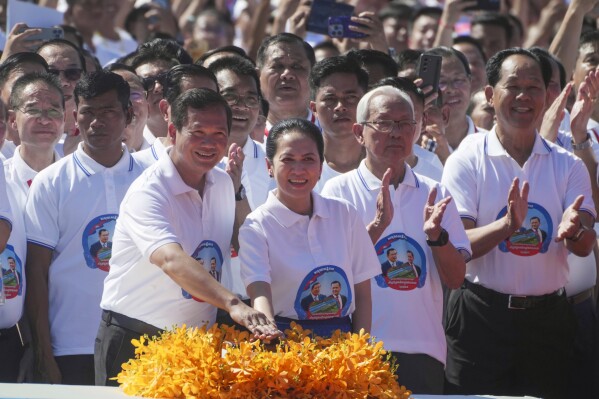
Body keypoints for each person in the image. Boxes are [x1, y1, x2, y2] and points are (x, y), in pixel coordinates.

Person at [96, 89, 280, 386]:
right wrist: (233, 305)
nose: (210, 144)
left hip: (198, 342)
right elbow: (170, 258)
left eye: (219, 133)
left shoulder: (222, 183)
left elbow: (244, 243)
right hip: (136, 339)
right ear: (173, 130)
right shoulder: (149, 191)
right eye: (198, 132)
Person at [442, 48, 596, 398]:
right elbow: (456, 245)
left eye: (534, 87)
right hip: (480, 317)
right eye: (514, 86)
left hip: (548, 322)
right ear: (490, 95)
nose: (524, 96)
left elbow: (584, 244)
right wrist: (507, 227)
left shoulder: (568, 165)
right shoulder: (467, 158)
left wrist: (576, 231)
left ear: (548, 96)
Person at [321, 85, 469, 394]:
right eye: (385, 123)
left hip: (423, 349)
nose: (396, 133)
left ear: (416, 131)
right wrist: (376, 226)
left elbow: (456, 279)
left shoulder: (436, 193)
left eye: (405, 124)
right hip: (360, 349)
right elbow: (332, 275)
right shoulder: (336, 193)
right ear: (359, 132)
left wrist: (437, 238)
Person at [24, 71, 143, 385]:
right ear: (74, 116)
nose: (97, 122)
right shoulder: (51, 182)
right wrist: (44, 354)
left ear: (128, 115)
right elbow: (36, 271)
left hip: (142, 341)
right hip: (72, 345)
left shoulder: (152, 178)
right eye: (88, 112)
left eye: (108, 112)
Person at [239, 118, 380, 338]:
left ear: (321, 166)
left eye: (308, 159)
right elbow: (259, 291)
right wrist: (270, 335)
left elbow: (362, 292)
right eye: (288, 160)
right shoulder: (256, 225)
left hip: (344, 344)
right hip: (284, 342)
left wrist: (361, 349)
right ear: (269, 166)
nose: (298, 170)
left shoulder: (345, 214)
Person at [133, 64, 218, 168]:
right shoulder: (135, 167)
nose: (203, 112)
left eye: (211, 102)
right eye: (193, 103)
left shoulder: (228, 169)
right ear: (165, 109)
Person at [308, 55, 369, 192]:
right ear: (314, 109)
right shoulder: (299, 168)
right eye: (330, 99)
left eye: (351, 97)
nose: (340, 106)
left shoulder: (385, 163)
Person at [36, 39, 87, 157]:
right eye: (51, 73)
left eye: (72, 72)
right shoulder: (15, 133)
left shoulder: (100, 132)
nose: (63, 81)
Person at [256, 33, 317, 132]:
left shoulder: (334, 135)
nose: (287, 74)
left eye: (297, 67)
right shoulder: (240, 138)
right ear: (257, 76)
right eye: (278, 66)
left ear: (314, 76)